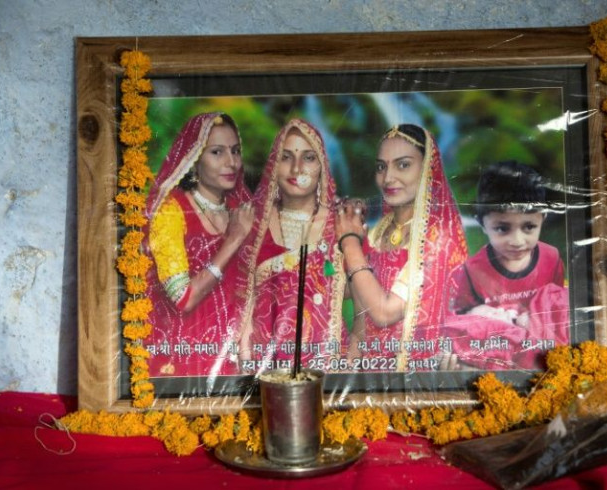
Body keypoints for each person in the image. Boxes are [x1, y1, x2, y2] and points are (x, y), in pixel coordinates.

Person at [336, 124, 469, 372]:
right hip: (370, 371)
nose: (387, 178)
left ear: (427, 169)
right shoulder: (379, 231)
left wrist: (350, 242)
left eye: (403, 164)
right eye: (381, 167)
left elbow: (385, 313)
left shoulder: (437, 238)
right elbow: (358, 315)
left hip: (416, 375)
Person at [142, 112, 254, 377]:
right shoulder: (172, 212)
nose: (231, 163)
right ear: (193, 161)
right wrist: (233, 240)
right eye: (217, 152)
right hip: (185, 357)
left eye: (235, 151)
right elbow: (183, 299)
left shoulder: (242, 213)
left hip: (238, 355)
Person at [237, 119, 346, 373]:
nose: (297, 169)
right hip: (264, 361)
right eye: (286, 158)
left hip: (327, 359)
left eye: (308, 158)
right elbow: (242, 298)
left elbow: (361, 297)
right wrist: (244, 355)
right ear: (274, 166)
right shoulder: (253, 221)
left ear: (321, 167)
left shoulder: (340, 222)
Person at [440, 160, 570, 371]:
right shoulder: (472, 271)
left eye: (529, 227)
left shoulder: (551, 257)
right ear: (482, 223)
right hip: (501, 357)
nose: (517, 241)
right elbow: (464, 327)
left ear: (543, 218)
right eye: (502, 229)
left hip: (545, 355)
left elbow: (556, 307)